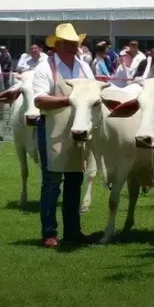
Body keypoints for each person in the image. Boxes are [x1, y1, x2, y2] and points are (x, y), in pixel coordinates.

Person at [31, 23, 97, 248]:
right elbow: (39, 100)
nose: (70, 47)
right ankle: (49, 233)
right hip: (52, 129)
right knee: (51, 183)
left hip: (78, 130)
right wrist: (69, 100)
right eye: (66, 43)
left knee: (74, 181)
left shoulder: (84, 67)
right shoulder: (44, 68)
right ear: (56, 45)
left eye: (74, 43)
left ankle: (72, 231)